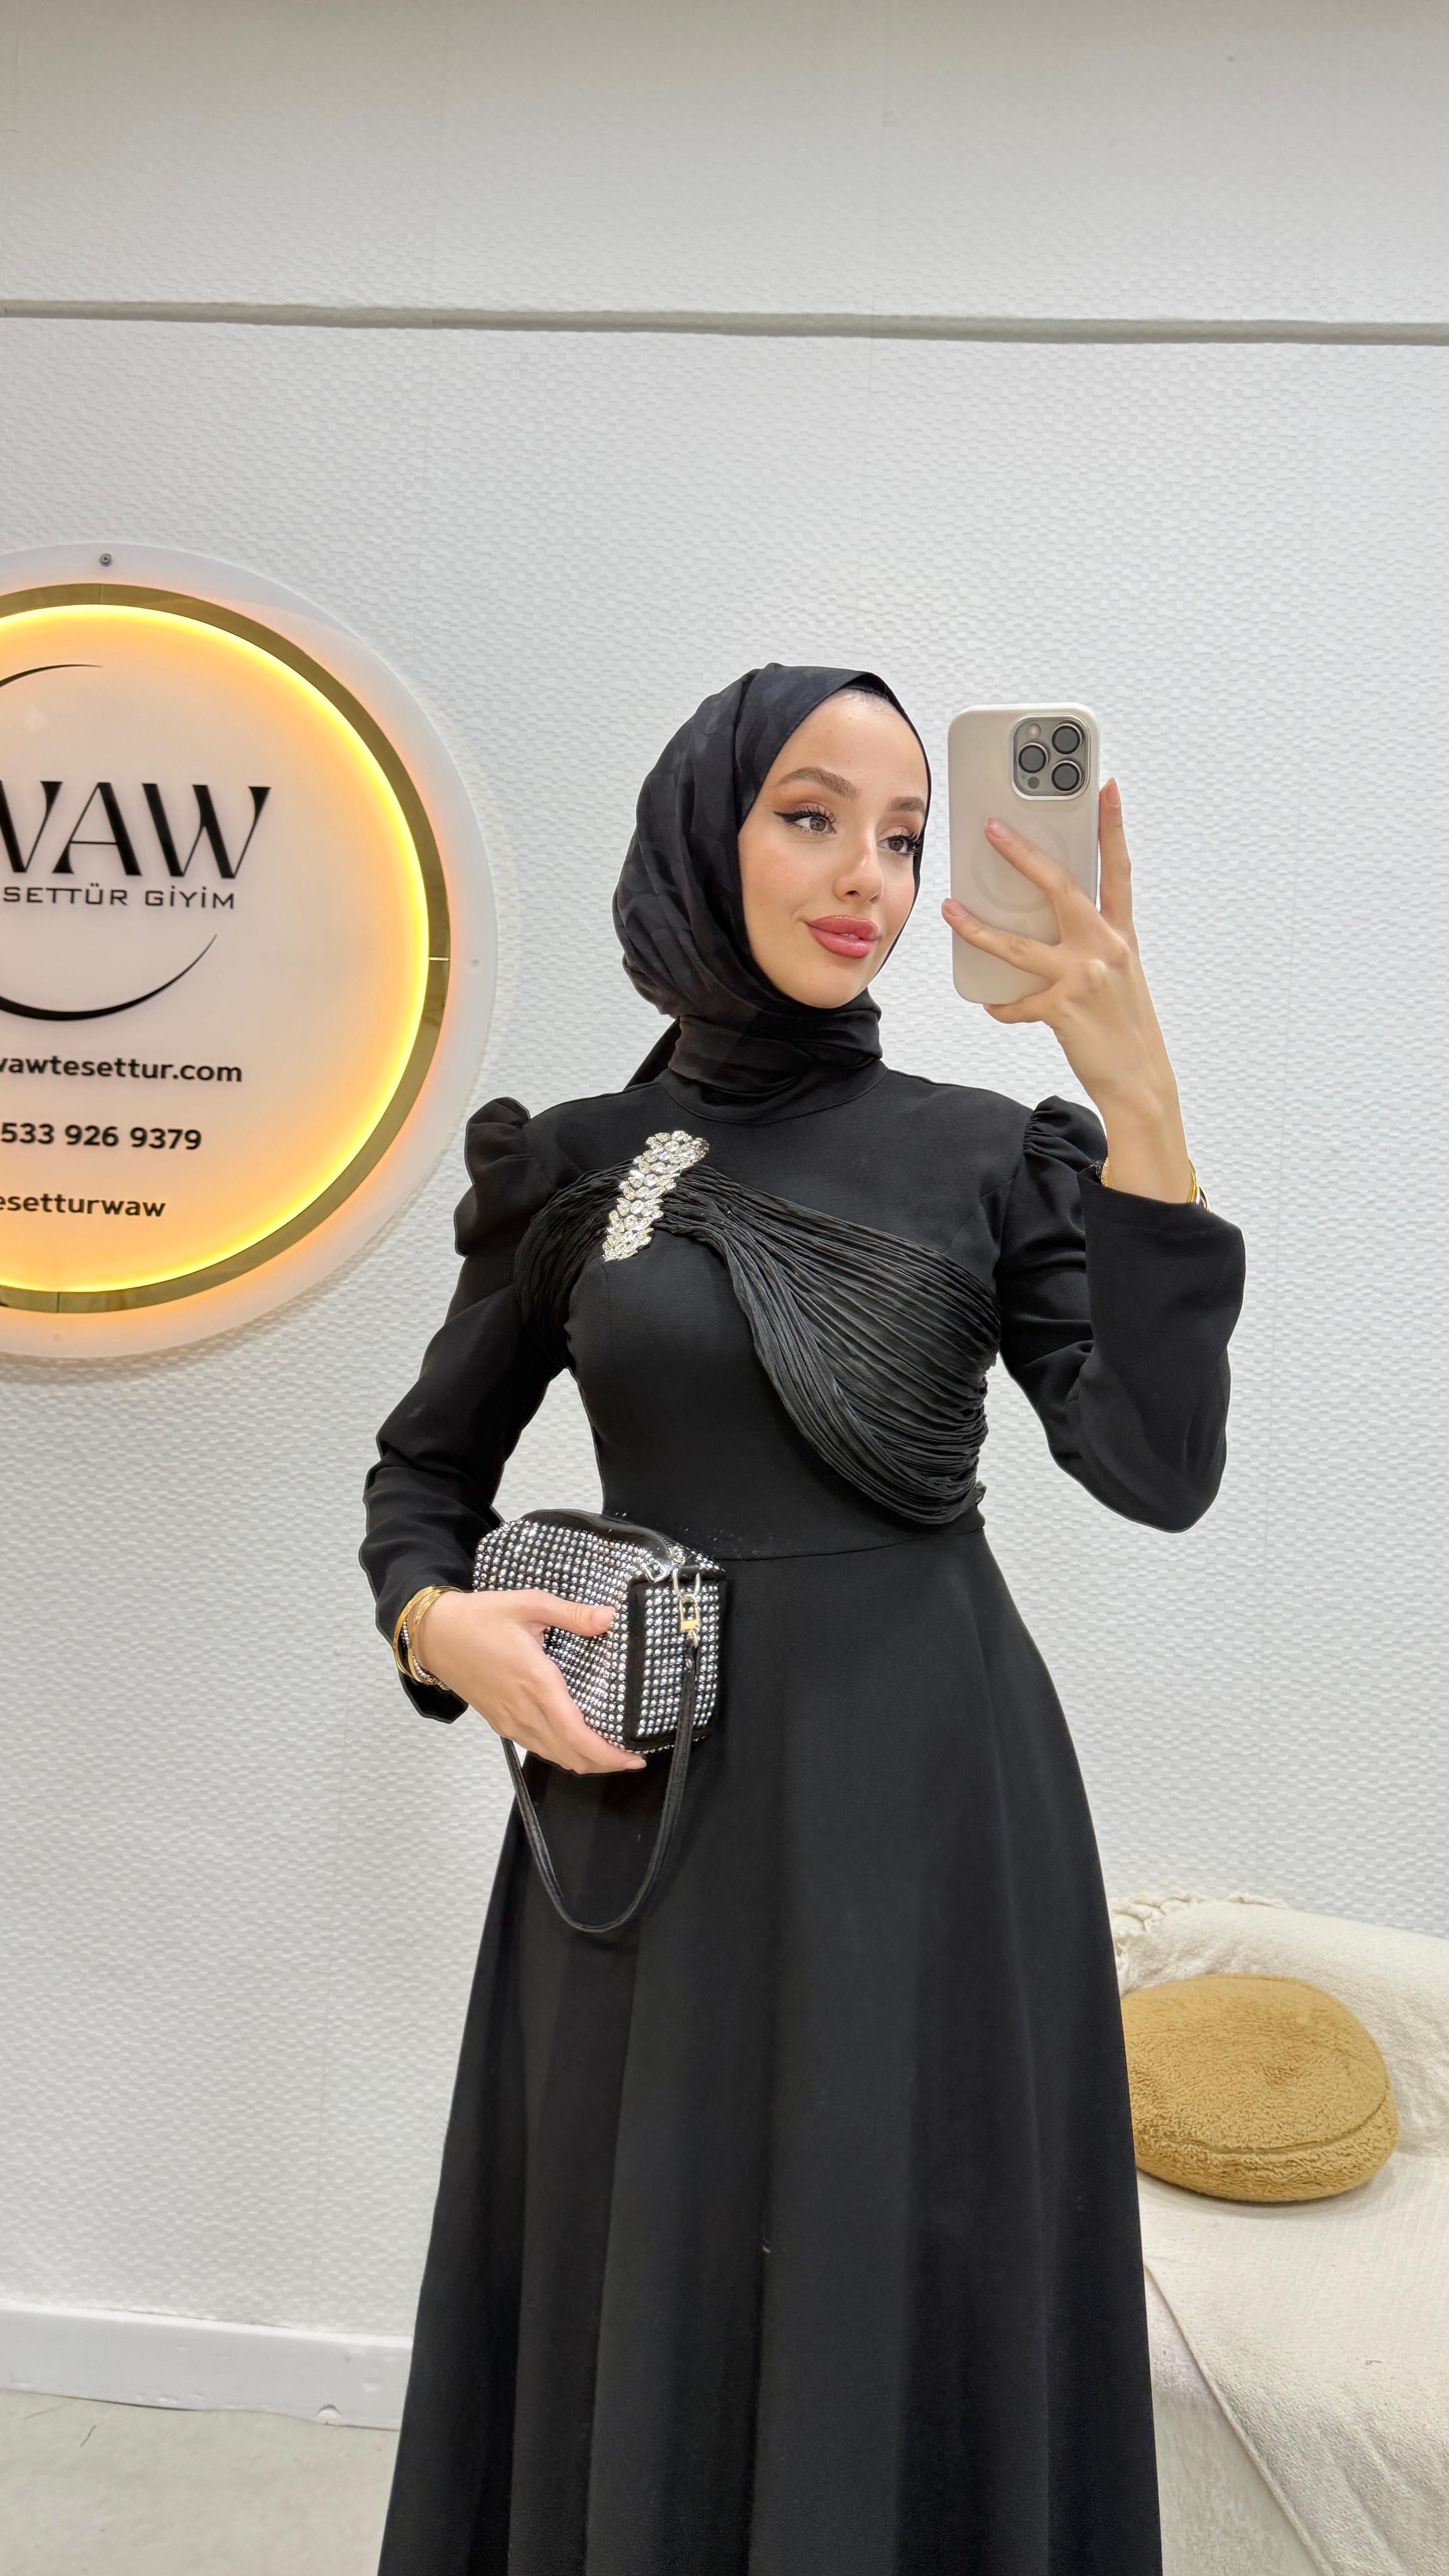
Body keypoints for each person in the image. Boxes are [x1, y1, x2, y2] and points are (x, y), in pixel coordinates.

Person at [361, 664, 1244, 2576]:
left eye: (907, 838)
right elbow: (423, 1480)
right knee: (650, 2262)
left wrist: (1138, 1086)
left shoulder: (986, 1151)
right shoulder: (578, 1163)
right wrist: (447, 1629)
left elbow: (1157, 1465)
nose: (869, 878)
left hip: (926, 1813)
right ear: (708, 834)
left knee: (892, 2253)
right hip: (644, 1819)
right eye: (813, 817)